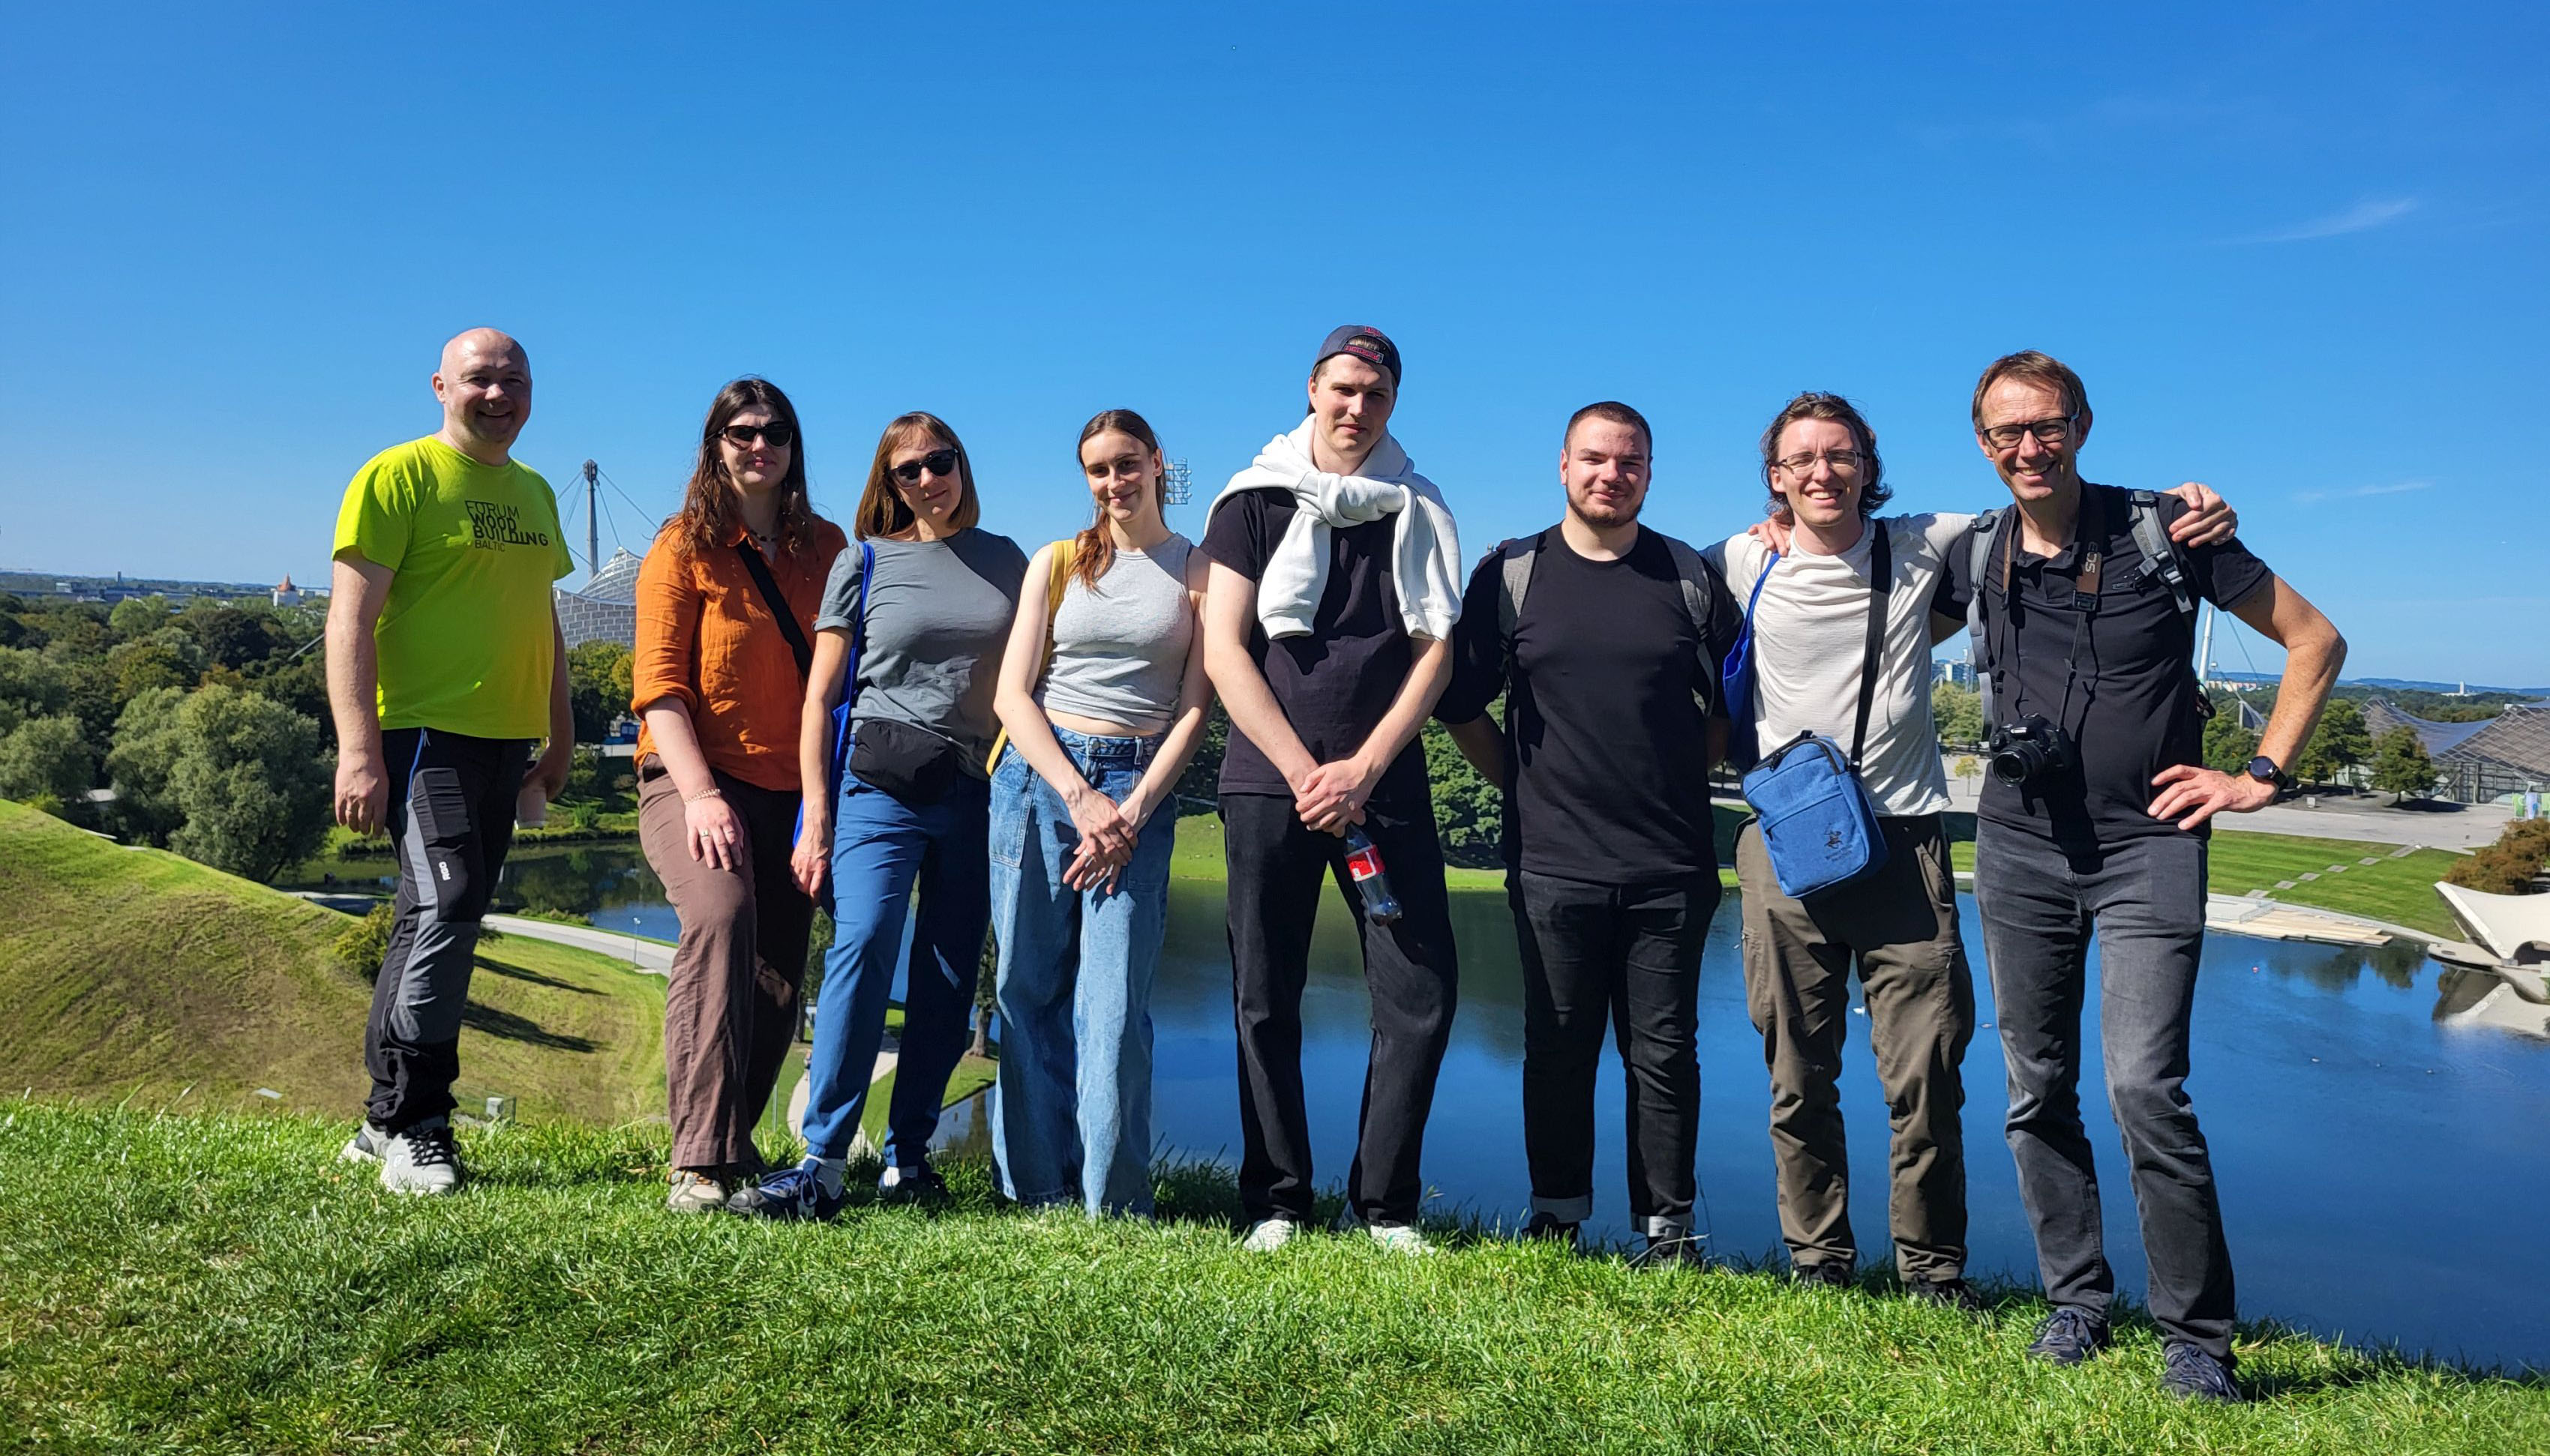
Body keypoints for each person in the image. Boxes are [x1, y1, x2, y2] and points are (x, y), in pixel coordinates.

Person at [1711, 393, 2238, 1307]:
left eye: (1839, 455)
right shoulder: (1739, 559)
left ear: (1868, 465)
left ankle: (1931, 1272)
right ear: (1774, 476)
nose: (1821, 473)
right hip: (1784, 848)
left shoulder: (1931, 541)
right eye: (1800, 460)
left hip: (1905, 844)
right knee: (1796, 1077)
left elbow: (2047, 502)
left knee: (1925, 1078)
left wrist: (2182, 505)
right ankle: (1818, 1264)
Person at [1938, 351, 2344, 1403]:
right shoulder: (1973, 552)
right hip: (2019, 847)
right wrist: (1773, 532)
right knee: (2035, 1089)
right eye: (2004, 433)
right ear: (1982, 443)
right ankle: (2076, 1302)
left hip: (2151, 846)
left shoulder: (2169, 529)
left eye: (2046, 426)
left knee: (2142, 1088)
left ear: (2081, 424)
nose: (2027, 448)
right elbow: (1854, 579)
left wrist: (2259, 774)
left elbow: (2316, 641)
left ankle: (2197, 1338)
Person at [1437, 401, 1739, 1266]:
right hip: (1552, 864)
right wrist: (1524, 787)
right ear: (1563, 467)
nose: (1612, 474)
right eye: (1595, 459)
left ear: (1649, 472)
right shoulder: (1512, 575)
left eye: (1630, 461)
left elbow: (1733, 707)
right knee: (1558, 1047)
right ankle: (1556, 1215)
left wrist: (1677, 779)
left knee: (1664, 1053)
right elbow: (1460, 705)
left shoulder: (1687, 576)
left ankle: (1669, 1231)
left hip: (1670, 865)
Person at [1199, 325, 1465, 1254]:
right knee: (1263, 993)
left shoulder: (1419, 509)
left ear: (1393, 405)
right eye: (1344, 389)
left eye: (1376, 395)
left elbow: (1435, 655)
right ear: (1312, 388)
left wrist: (1362, 768)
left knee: (1421, 992)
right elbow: (1224, 647)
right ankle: (1276, 1198)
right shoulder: (1250, 502)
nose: (1357, 408)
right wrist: (1302, 769)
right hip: (1270, 782)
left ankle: (1385, 1206)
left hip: (1379, 785)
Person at [734, 413, 1028, 1220]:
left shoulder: (1008, 561)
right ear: (888, 483)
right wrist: (817, 817)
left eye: (942, 462)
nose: (929, 479)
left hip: (973, 790)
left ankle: (909, 1158)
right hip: (878, 788)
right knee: (862, 949)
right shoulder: (862, 561)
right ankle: (821, 1162)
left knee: (946, 972)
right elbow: (819, 698)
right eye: (909, 470)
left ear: (962, 465)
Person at [328, 328, 574, 1195]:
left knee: (433, 917)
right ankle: (417, 1121)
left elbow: (540, 619)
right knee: (449, 905)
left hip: (506, 738)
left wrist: (562, 734)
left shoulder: (538, 492)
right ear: (440, 385)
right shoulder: (398, 476)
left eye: (515, 379)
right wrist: (359, 750)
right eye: (480, 378)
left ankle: (379, 1118)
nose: (499, 393)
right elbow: (350, 619)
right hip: (422, 733)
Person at [986, 409, 1212, 1217]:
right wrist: (1081, 798)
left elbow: (1195, 707)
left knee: (1113, 1012)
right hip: (1039, 781)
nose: (1113, 483)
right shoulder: (1056, 563)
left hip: (1138, 788)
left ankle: (1113, 1204)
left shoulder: (1198, 570)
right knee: (1026, 988)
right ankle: (1037, 1190)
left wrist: (1132, 809)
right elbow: (1012, 693)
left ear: (1157, 462)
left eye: (1126, 464)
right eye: (1097, 470)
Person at [630, 378, 848, 1213]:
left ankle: (735, 1146)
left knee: (777, 971)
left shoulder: (824, 548)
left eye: (777, 432)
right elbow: (659, 690)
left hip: (793, 792)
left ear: (795, 448)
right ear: (714, 443)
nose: (761, 445)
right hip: (690, 778)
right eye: (742, 431)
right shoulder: (683, 547)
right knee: (720, 917)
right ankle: (697, 1160)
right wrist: (699, 796)